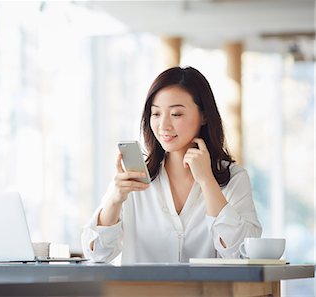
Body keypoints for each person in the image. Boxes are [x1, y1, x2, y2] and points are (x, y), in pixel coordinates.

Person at [81, 66, 262, 264]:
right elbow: (97, 253)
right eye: (156, 114)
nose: (164, 125)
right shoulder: (133, 179)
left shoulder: (233, 178)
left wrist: (207, 181)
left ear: (204, 116)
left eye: (176, 114)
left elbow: (244, 253)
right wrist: (114, 200)